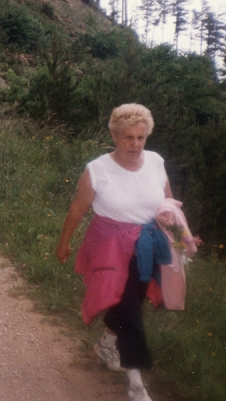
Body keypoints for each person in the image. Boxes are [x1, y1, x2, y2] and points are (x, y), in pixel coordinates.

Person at [55, 104, 173, 401]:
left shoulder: (156, 162)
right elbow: (78, 208)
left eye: (141, 137)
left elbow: (169, 205)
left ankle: (107, 342)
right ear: (114, 136)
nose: (135, 144)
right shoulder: (98, 170)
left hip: (147, 245)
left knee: (129, 301)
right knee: (130, 310)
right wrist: (64, 242)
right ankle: (136, 385)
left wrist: (182, 239)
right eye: (128, 138)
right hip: (110, 247)